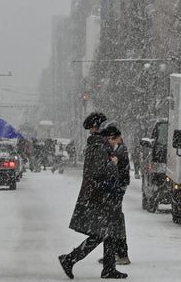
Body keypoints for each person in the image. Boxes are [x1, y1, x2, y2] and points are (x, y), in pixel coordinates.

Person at [58, 112, 126, 280]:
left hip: (103, 195)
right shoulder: (98, 146)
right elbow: (98, 172)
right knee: (101, 233)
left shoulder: (101, 145)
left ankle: (109, 268)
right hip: (99, 196)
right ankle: (70, 259)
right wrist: (112, 164)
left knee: (109, 232)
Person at [100, 123, 131, 267]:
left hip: (117, 189)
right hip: (117, 188)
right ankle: (113, 254)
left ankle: (121, 254)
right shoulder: (118, 149)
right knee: (115, 220)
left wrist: (117, 186)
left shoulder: (120, 151)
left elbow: (120, 171)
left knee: (116, 220)